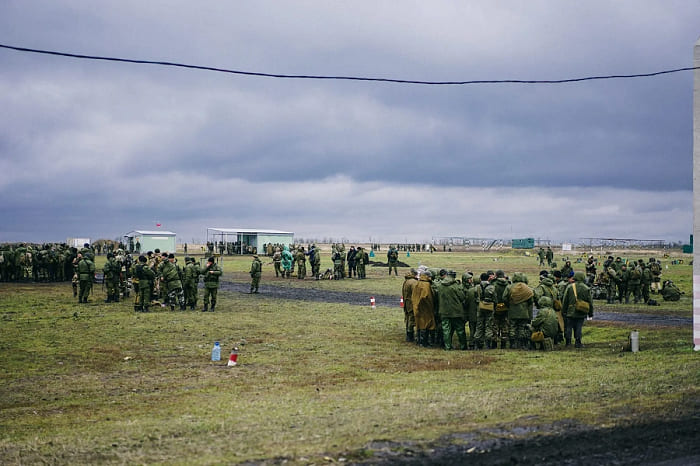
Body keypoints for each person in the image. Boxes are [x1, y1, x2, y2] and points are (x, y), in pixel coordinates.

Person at [435, 270, 467, 350]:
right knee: (460, 329)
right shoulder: (456, 286)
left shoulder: (440, 285)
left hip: (444, 311)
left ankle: (447, 346)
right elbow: (462, 297)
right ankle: (463, 346)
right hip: (456, 311)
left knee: (446, 330)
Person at [562, 271, 594, 348]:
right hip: (581, 311)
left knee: (569, 326)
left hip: (570, 310)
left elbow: (565, 300)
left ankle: (568, 342)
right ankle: (578, 342)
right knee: (579, 327)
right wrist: (590, 313)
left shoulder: (570, 287)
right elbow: (590, 302)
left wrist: (564, 311)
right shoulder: (586, 288)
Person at [503, 272, 534, 349]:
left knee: (512, 327)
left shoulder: (509, 287)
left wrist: (509, 305)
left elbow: (504, 298)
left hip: (512, 310)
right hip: (524, 311)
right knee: (522, 327)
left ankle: (512, 344)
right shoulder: (527, 287)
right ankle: (522, 344)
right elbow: (531, 299)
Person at [412, 270, 437, 347]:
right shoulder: (426, 285)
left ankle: (419, 341)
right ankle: (425, 342)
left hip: (417, 307)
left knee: (420, 324)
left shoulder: (418, 283)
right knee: (427, 324)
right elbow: (426, 297)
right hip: (425, 308)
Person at [474, 271, 495, 350]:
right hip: (489, 307)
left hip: (480, 307)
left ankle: (477, 344)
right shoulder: (491, 287)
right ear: (488, 278)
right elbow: (494, 298)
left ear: (480, 279)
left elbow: (475, 297)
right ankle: (487, 345)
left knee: (479, 326)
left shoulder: (477, 287)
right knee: (488, 325)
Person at [491, 270, 509, 349]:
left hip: (496, 307)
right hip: (505, 307)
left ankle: (494, 343)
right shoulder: (508, 284)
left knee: (495, 325)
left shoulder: (493, 284)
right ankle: (503, 344)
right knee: (504, 325)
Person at [462, 272, 478, 350]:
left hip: (470, 311)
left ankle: (472, 343)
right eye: (469, 279)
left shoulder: (471, 289)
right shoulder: (463, 288)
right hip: (467, 311)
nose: (470, 280)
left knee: (473, 328)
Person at [401, 269, 418, 342]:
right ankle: (410, 335)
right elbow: (415, 294)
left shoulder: (406, 281)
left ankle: (408, 333)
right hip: (411, 303)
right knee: (412, 319)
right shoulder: (413, 282)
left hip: (406, 302)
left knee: (408, 318)